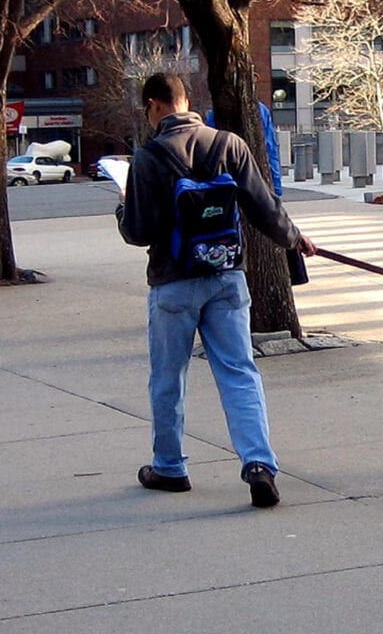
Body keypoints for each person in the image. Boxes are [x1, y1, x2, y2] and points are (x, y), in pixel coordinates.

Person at [117, 72, 316, 508]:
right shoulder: (229, 144)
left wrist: (121, 208)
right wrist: (294, 238)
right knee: (239, 372)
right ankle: (259, 464)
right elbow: (264, 206)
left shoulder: (148, 158)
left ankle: (169, 466)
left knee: (169, 377)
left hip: (173, 283)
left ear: (154, 105)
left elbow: (137, 231)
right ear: (186, 100)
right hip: (228, 277)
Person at [205, 100, 283, 196]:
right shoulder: (258, 109)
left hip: (226, 180)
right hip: (258, 179)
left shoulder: (216, 113)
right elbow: (270, 149)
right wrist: (276, 185)